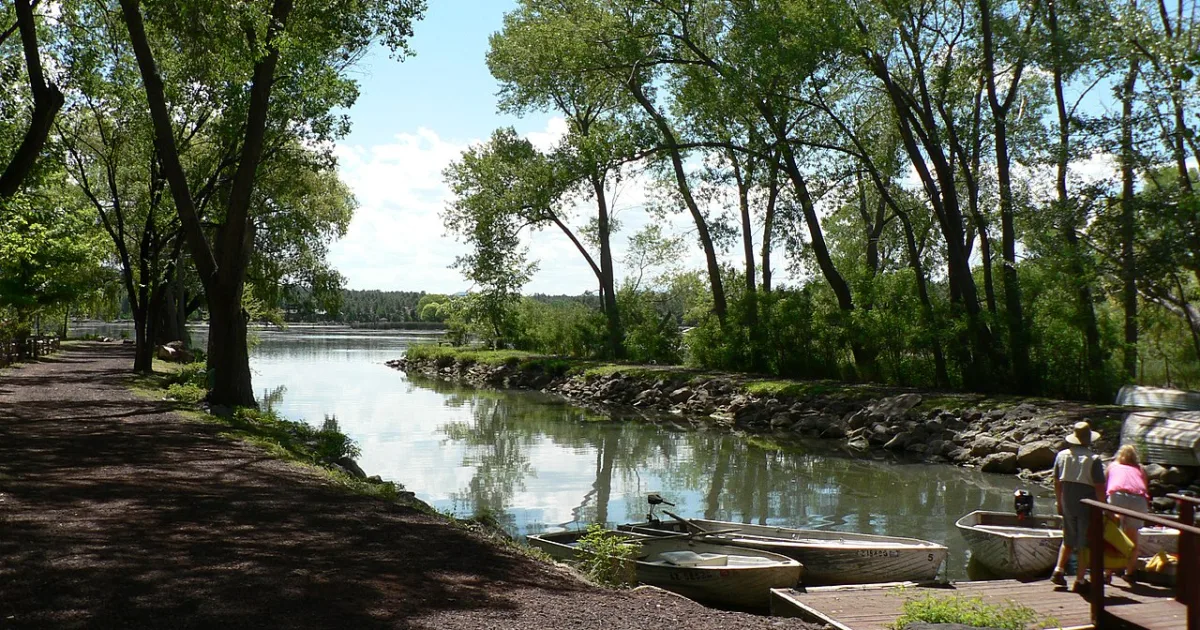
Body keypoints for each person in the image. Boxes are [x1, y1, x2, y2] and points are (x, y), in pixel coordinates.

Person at [1051, 421, 1105, 592]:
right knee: (1084, 543)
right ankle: (1080, 580)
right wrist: (1104, 507)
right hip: (1086, 504)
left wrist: (1059, 502)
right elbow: (1099, 487)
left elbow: (1056, 482)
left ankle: (1058, 570)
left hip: (1067, 500)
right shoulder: (1094, 459)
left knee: (1068, 538)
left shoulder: (1062, 456)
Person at [1105, 444, 1150, 585]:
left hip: (1118, 496)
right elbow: (1145, 486)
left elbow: (1105, 485)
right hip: (1138, 499)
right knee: (1133, 537)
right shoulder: (1140, 469)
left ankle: (1108, 572)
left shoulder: (1112, 466)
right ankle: (1129, 572)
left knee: (1113, 534)